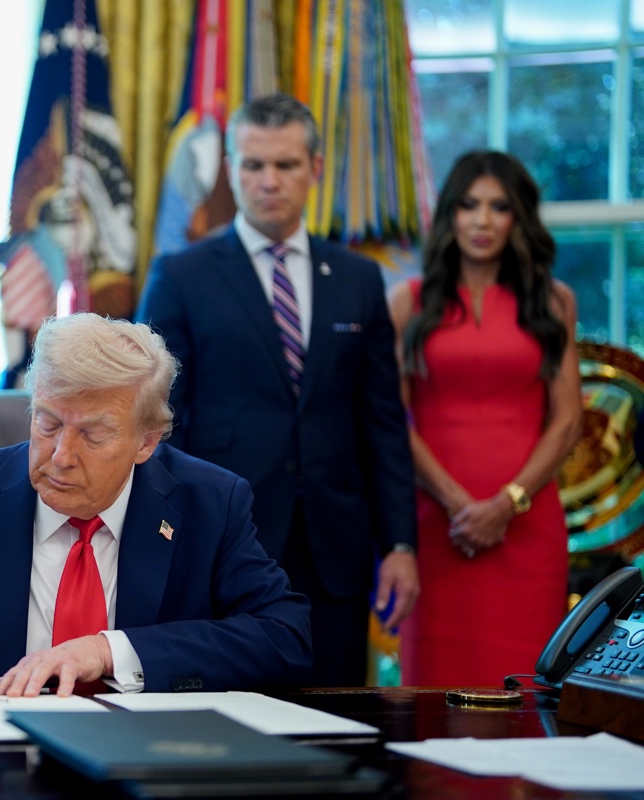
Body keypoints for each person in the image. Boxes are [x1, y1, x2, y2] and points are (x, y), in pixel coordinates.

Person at [0, 312, 312, 696]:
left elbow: (285, 638)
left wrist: (109, 651)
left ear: (146, 442)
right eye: (47, 424)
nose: (62, 456)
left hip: (140, 759)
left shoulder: (210, 503)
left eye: (93, 434)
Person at [135, 93, 419, 687]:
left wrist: (400, 543)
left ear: (315, 168)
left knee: (336, 715)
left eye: (285, 164)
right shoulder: (181, 276)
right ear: (231, 169)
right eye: (253, 165)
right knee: (227, 718)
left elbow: (383, 423)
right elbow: (156, 421)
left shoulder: (358, 278)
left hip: (335, 551)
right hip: (220, 541)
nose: (269, 181)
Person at [388, 151, 581, 686]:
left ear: (519, 219)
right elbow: (392, 419)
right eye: (469, 205)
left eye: (499, 207)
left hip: (527, 527)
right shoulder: (407, 303)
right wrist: (459, 506)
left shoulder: (554, 302)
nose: (482, 220)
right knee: (434, 692)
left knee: (526, 690)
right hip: (437, 527)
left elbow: (568, 421)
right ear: (450, 213)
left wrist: (506, 504)